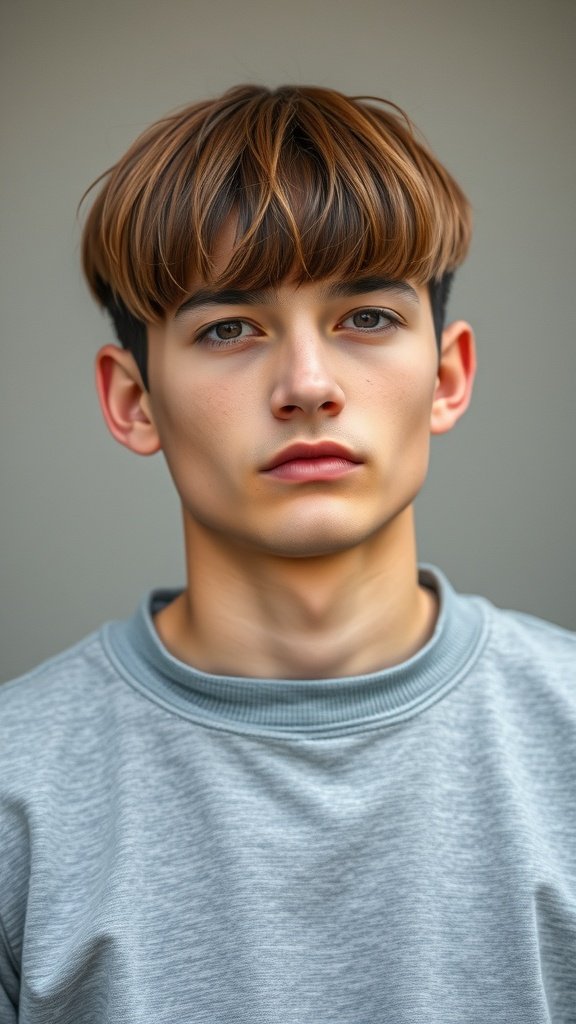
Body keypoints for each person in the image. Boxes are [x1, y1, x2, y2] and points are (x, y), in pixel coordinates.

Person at [1, 84, 575, 1024]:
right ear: (132, 401)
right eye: (229, 329)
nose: (308, 386)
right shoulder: (15, 796)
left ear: (448, 376)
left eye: (368, 318)